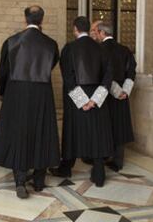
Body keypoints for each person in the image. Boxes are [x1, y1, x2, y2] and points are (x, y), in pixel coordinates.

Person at [0, 6, 60, 199]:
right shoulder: (52, 44)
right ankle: (39, 181)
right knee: (42, 131)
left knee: (19, 132)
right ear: (42, 20)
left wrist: (4, 93)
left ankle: (20, 180)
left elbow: (3, 71)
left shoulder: (11, 41)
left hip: (17, 91)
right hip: (42, 92)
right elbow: (52, 63)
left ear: (25, 19)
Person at [50, 16, 113, 187]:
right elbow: (108, 77)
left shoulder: (69, 48)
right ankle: (99, 173)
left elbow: (68, 77)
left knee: (72, 132)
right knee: (97, 133)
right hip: (97, 98)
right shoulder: (102, 48)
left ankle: (66, 168)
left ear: (75, 29)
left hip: (76, 98)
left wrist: (82, 101)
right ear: (89, 30)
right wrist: (95, 100)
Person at [97, 22, 136, 171]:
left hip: (106, 93)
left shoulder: (99, 49)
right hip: (122, 95)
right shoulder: (125, 49)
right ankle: (118, 161)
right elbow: (131, 71)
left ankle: (106, 156)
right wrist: (124, 91)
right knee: (120, 125)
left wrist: (115, 90)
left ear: (102, 33)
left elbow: (103, 74)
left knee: (107, 125)